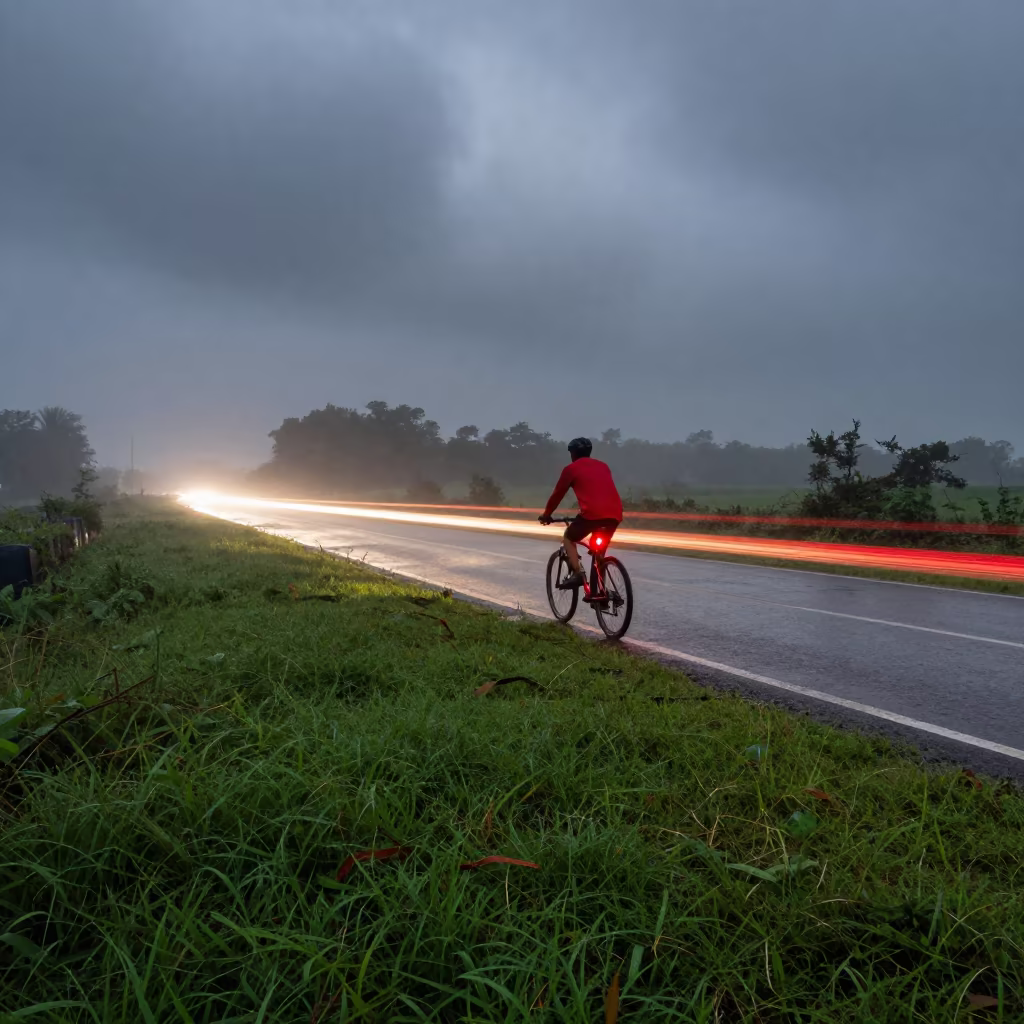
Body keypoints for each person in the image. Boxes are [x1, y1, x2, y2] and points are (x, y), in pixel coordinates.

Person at [539, 436, 623, 591]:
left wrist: (546, 515)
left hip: (591, 515)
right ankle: (601, 594)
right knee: (599, 555)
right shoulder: (603, 466)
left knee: (569, 537)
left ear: (573, 454)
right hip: (614, 515)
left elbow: (558, 494)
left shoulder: (571, 469)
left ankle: (578, 573)